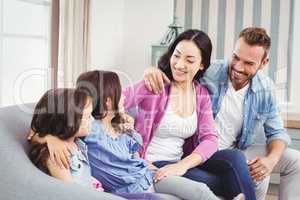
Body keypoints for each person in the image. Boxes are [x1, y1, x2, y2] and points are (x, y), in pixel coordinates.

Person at [143, 27, 300, 200]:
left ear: (264, 63)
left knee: (295, 160)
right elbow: (177, 73)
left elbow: (277, 132)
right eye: (236, 57)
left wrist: (271, 160)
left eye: (248, 63)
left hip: (237, 149)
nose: (238, 67)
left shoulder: (265, 88)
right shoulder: (210, 72)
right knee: (233, 161)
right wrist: (152, 70)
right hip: (201, 149)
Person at [29, 71, 223, 200]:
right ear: (106, 102)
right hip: (127, 188)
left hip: (148, 175)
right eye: (120, 93)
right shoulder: (88, 131)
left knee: (200, 190)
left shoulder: (121, 125)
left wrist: (153, 167)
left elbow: (135, 158)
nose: (125, 96)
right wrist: (49, 138)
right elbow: (38, 131)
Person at [123, 29, 254, 200]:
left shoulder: (201, 94)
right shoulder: (155, 84)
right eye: (176, 56)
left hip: (179, 161)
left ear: (201, 65)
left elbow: (210, 139)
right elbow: (113, 99)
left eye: (189, 60)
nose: (179, 64)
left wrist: (182, 165)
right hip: (154, 163)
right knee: (216, 181)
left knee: (235, 158)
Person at [28, 88, 161, 200]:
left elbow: (37, 136)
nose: (92, 120)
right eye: (87, 117)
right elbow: (71, 194)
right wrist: (49, 139)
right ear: (66, 121)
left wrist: (49, 138)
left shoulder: (77, 142)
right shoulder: (56, 156)